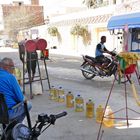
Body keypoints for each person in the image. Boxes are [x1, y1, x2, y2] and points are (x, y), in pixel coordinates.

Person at [0, 57, 32, 122]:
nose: (13, 70)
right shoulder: (10, 77)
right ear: (7, 67)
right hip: (7, 113)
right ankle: (16, 126)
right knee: (28, 104)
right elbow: (21, 98)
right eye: (13, 68)